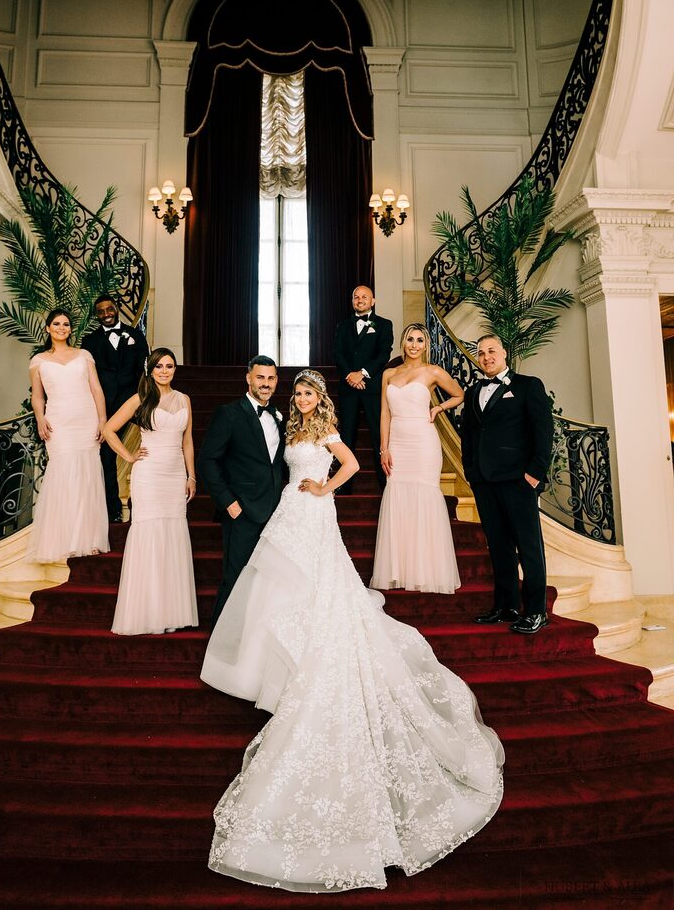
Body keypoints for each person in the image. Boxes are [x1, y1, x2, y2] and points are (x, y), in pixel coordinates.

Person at [201, 369, 503, 893]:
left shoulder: (323, 431)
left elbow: (354, 463)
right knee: (275, 590)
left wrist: (326, 487)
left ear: (321, 398)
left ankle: (311, 654)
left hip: (315, 512)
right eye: (297, 391)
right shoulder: (288, 427)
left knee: (318, 589)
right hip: (286, 515)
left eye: (308, 391)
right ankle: (276, 665)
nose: (300, 397)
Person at [460, 334, 554, 635]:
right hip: (485, 481)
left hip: (518, 480)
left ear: (504, 352)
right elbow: (469, 437)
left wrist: (535, 473)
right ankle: (506, 605)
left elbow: (543, 431)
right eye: (481, 352)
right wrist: (471, 472)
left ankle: (537, 610)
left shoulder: (528, 386)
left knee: (529, 547)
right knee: (499, 546)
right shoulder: (473, 391)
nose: (486, 356)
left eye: (491, 351)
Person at [102, 347, 198, 635]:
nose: (165, 371)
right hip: (149, 474)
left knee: (172, 535)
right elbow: (108, 430)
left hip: (174, 475)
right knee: (150, 535)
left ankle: (171, 611)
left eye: (169, 366)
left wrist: (191, 476)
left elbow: (188, 442)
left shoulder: (185, 400)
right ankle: (146, 611)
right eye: (160, 366)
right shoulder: (140, 399)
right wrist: (129, 457)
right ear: (151, 369)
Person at [370, 323, 463, 594]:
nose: (414, 344)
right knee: (397, 496)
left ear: (426, 345)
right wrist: (383, 449)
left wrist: (438, 408)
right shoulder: (389, 373)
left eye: (420, 340)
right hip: (397, 443)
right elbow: (384, 414)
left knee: (424, 498)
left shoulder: (433, 372)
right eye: (410, 339)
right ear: (403, 342)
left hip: (423, 442)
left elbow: (459, 394)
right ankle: (400, 570)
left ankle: (427, 571)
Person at [197, 355, 285, 627]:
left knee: (268, 578)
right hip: (242, 510)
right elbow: (207, 461)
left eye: (271, 378)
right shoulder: (230, 413)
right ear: (248, 378)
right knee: (236, 576)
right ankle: (221, 644)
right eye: (260, 377)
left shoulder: (279, 416)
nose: (265, 383)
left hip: (275, 511)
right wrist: (228, 502)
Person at [28, 308, 109, 562]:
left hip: (85, 421)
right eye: (56, 324)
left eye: (65, 324)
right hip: (59, 423)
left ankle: (89, 538)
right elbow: (38, 396)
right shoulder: (38, 361)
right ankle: (64, 539)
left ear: (70, 329)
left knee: (87, 477)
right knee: (64, 476)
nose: (61, 328)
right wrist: (40, 418)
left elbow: (96, 389)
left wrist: (103, 420)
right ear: (48, 329)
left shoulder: (84, 355)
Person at [82, 294, 149, 523]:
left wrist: (144, 400)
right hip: (106, 407)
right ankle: (113, 511)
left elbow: (144, 370)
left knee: (155, 439)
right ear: (97, 314)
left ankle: (147, 505)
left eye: (109, 309)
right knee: (106, 456)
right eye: (100, 311)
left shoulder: (135, 335)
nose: (106, 314)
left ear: (117, 308)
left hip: (134, 402)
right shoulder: (89, 342)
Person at [333, 284, 393, 488]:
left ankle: (384, 482)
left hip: (372, 387)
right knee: (347, 434)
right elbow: (338, 354)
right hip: (348, 387)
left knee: (378, 434)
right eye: (356, 297)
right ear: (352, 301)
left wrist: (363, 374)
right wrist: (351, 376)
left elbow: (384, 354)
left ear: (373, 301)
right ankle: (344, 484)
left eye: (364, 297)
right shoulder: (342, 326)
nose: (360, 300)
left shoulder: (384, 325)